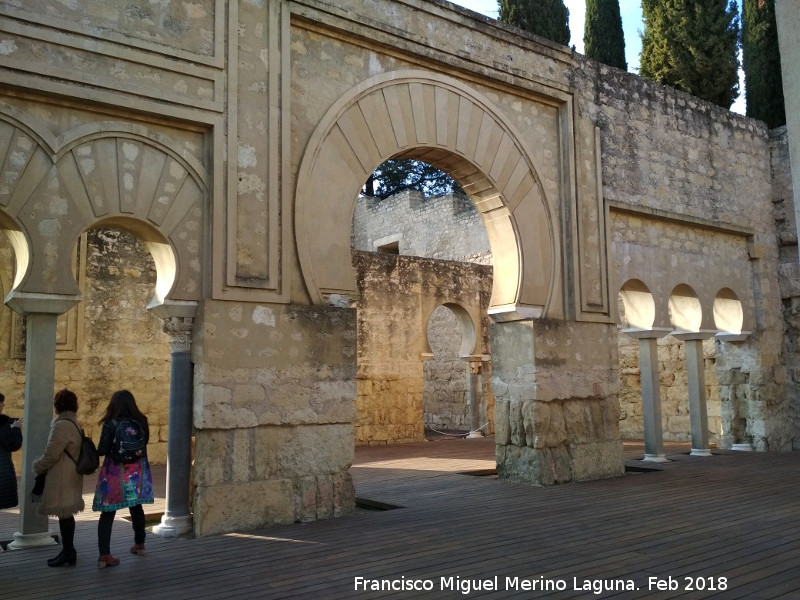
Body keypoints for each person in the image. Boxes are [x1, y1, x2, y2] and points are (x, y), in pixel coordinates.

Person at [92, 389, 153, 568]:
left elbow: (102, 449)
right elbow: (144, 443)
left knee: (108, 512)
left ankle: (104, 555)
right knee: (136, 506)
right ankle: (140, 544)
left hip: (114, 471)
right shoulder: (142, 420)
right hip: (136, 471)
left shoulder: (110, 423)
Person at [32, 389, 85, 567]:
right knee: (66, 514)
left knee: (65, 514)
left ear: (58, 405)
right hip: (71, 474)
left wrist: (37, 466)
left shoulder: (62, 425)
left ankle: (68, 551)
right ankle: (68, 551)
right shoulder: (74, 422)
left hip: (63, 476)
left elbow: (51, 454)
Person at [0, 393, 23, 510]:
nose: (3, 404)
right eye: (1, 402)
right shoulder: (2, 424)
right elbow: (13, 444)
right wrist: (16, 429)